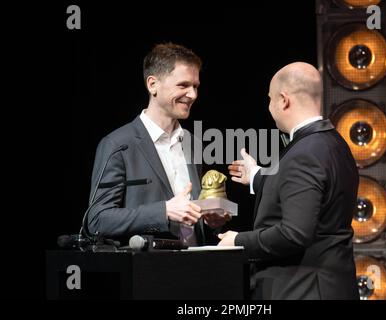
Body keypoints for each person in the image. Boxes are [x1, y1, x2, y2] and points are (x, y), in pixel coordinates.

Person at [221, 62, 359, 300]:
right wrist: (257, 176)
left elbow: (295, 233)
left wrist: (238, 240)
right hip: (333, 286)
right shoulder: (333, 143)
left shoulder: (304, 153)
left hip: (304, 290)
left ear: (283, 100)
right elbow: (313, 195)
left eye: (270, 99)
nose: (269, 106)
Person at [86, 43, 229, 246]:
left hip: (197, 267)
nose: (193, 95)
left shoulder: (192, 142)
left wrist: (211, 221)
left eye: (195, 86)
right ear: (152, 84)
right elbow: (97, 220)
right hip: (149, 271)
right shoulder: (118, 145)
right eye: (183, 85)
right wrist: (164, 211)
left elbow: (189, 221)